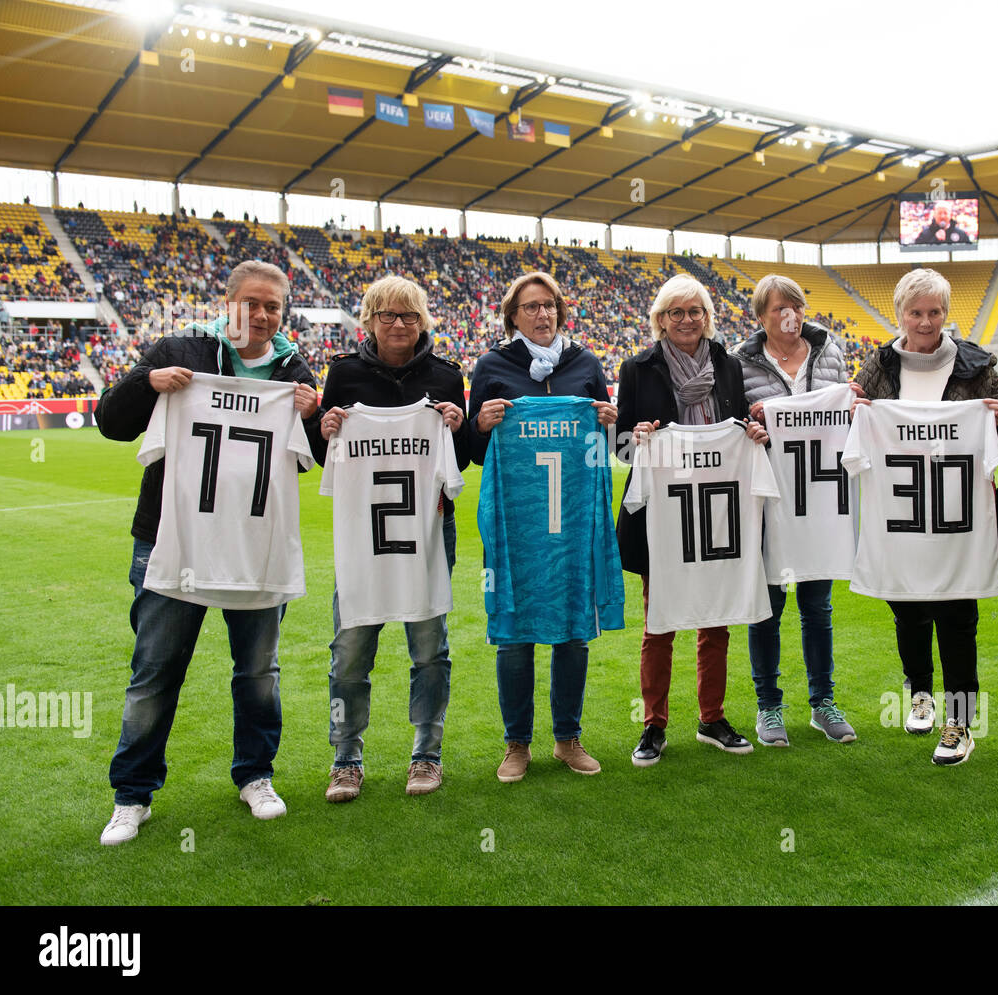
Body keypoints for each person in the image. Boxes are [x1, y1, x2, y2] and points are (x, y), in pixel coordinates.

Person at [94, 260, 320, 845]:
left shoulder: (293, 367)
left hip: (254, 543)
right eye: (251, 303)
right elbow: (110, 423)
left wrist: (316, 415)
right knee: (155, 670)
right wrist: (148, 383)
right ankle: (132, 795)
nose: (263, 315)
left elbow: (321, 452)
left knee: (258, 672)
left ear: (283, 309)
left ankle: (256, 775)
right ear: (228, 303)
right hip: (173, 540)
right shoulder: (180, 348)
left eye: (273, 305)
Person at [314, 275, 468, 802]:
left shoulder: (447, 376)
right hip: (362, 534)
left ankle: (427, 753)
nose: (398, 324)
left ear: (422, 320)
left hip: (427, 529)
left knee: (429, 646)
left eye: (408, 316)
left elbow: (461, 460)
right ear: (370, 320)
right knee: (351, 646)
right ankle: (345, 758)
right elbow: (321, 459)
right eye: (387, 316)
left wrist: (457, 422)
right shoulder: (344, 374)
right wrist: (327, 427)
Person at [467, 271, 618, 782]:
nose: (543, 314)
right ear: (513, 315)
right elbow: (472, 452)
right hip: (517, 523)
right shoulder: (492, 365)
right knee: (514, 633)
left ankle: (567, 738)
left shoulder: (585, 365)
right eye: (531, 306)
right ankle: (516, 743)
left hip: (572, 521)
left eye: (550, 305)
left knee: (574, 631)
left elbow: (606, 448)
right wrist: (480, 424)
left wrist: (606, 420)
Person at [616, 273, 770, 767]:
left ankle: (712, 717)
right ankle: (653, 725)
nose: (687, 320)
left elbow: (740, 419)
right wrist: (636, 437)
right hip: (663, 511)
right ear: (660, 320)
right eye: (676, 313)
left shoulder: (728, 364)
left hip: (719, 506)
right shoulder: (637, 368)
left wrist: (752, 434)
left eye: (695, 311)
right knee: (658, 623)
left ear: (708, 316)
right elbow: (620, 446)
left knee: (717, 618)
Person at [855, 268, 998, 765]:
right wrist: (856, 407)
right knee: (909, 609)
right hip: (899, 515)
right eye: (915, 312)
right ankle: (919, 690)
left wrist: (997, 416)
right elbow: (854, 415)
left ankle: (960, 722)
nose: (925, 321)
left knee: (959, 618)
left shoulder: (976, 364)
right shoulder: (877, 365)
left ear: (946, 314)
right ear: (899, 314)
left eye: (934, 312)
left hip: (958, 517)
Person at [732, 273, 856, 747]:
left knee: (817, 605)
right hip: (767, 497)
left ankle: (822, 701)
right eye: (779, 308)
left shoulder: (831, 352)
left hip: (820, 497)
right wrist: (752, 425)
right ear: (760, 317)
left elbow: (842, 415)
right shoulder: (741, 363)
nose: (790, 315)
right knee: (767, 606)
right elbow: (734, 422)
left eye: (796, 306)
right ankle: (769, 707)